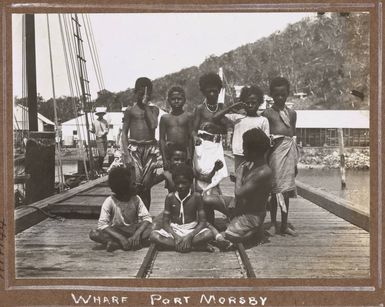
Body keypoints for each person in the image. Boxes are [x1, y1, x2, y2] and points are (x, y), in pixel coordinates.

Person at [204, 128, 272, 243]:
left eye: (245, 148)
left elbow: (239, 193)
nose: (243, 152)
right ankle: (212, 225)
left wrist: (239, 175)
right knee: (206, 199)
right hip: (238, 206)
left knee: (229, 237)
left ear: (254, 151)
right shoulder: (251, 165)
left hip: (251, 214)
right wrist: (239, 178)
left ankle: (254, 231)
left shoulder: (263, 172)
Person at [262, 77, 299, 236]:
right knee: (274, 189)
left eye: (283, 95)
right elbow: (264, 138)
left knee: (286, 190)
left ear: (287, 94)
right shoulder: (267, 113)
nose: (280, 98)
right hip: (274, 154)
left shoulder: (292, 113)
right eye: (276, 95)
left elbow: (293, 135)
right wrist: (264, 161)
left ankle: (284, 224)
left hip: (289, 152)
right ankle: (272, 223)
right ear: (271, 95)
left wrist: (295, 161)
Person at [150, 164, 214, 252]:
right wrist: (176, 237)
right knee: (154, 235)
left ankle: (177, 246)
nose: (180, 186)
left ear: (191, 182)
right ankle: (193, 247)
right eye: (177, 183)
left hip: (192, 231)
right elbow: (165, 223)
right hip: (174, 231)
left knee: (208, 234)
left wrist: (190, 236)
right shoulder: (170, 198)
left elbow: (202, 222)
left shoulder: (196, 197)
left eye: (184, 183)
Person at [121, 77, 162, 209]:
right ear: (135, 92)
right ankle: (136, 215)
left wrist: (145, 105)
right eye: (141, 93)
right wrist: (126, 154)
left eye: (147, 94)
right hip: (134, 149)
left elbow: (154, 124)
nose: (144, 96)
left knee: (146, 185)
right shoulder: (130, 111)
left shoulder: (154, 109)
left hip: (150, 149)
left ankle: (146, 217)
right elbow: (124, 133)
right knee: (136, 183)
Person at [89, 167, 153, 252]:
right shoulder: (110, 201)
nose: (137, 185)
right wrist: (121, 238)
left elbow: (147, 218)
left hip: (133, 230)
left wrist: (137, 234)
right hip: (116, 232)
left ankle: (117, 245)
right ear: (124, 188)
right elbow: (102, 225)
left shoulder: (136, 199)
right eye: (133, 184)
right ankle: (126, 243)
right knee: (94, 233)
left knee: (153, 227)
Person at [212, 85, 270, 170]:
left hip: (256, 157)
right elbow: (215, 118)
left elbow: (266, 142)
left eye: (253, 103)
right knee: (239, 180)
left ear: (259, 103)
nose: (250, 105)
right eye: (247, 103)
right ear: (243, 103)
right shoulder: (237, 118)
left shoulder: (263, 120)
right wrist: (231, 107)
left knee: (253, 180)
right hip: (239, 155)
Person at [192, 72, 229, 194]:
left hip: (217, 147)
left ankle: (213, 201)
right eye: (209, 91)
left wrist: (214, 126)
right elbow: (193, 130)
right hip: (203, 146)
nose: (212, 94)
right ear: (203, 92)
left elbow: (224, 130)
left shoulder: (221, 108)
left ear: (219, 91)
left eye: (215, 91)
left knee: (216, 177)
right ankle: (201, 204)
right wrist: (195, 138)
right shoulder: (200, 109)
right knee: (203, 176)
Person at [159, 86, 193, 170]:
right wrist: (164, 159)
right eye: (173, 99)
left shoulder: (188, 116)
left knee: (185, 179)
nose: (176, 101)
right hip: (170, 154)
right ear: (168, 100)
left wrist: (190, 156)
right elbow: (162, 139)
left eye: (179, 98)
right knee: (169, 179)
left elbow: (190, 138)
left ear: (184, 100)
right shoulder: (164, 118)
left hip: (184, 154)